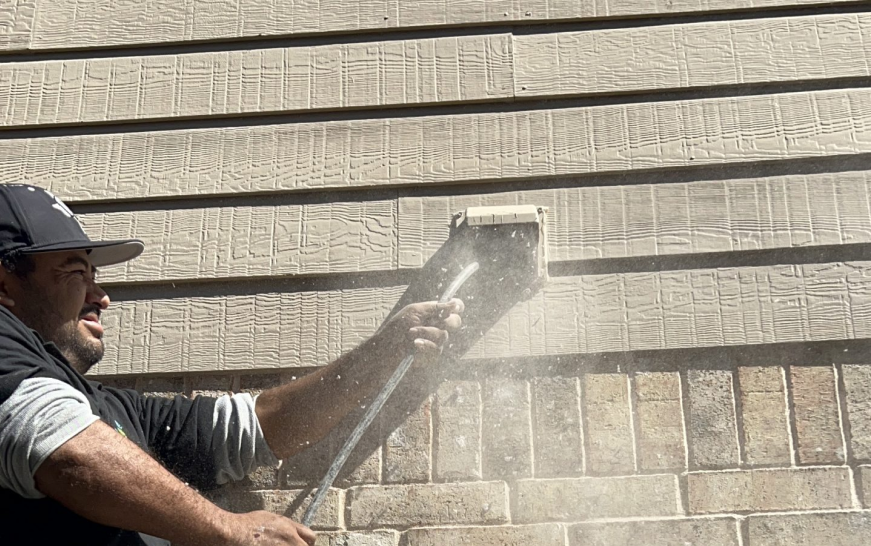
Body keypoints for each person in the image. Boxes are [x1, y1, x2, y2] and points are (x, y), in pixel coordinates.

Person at [0, 184, 463, 546]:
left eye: (94, 276)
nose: (101, 296)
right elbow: (64, 449)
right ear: (5, 286)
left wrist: (380, 353)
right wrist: (231, 530)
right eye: (75, 273)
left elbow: (255, 426)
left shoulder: (111, 409)